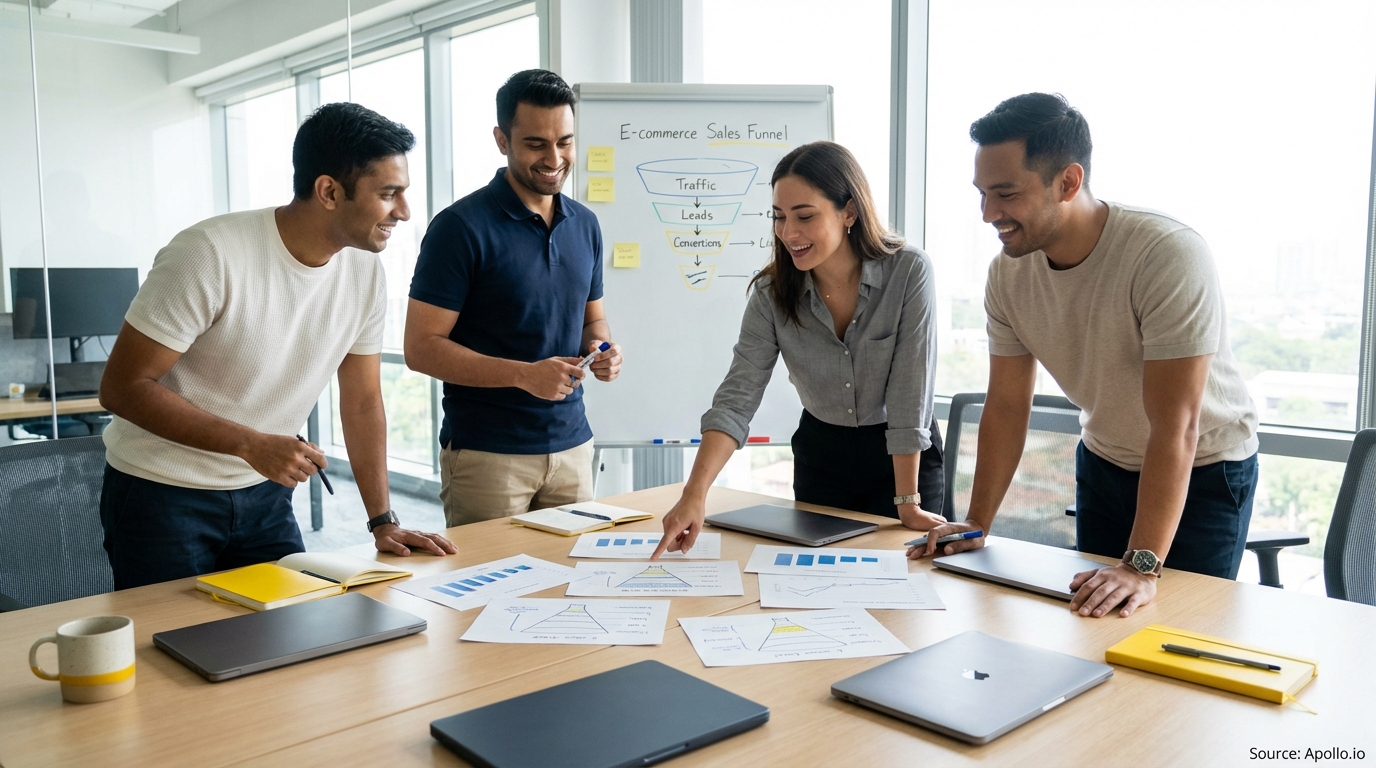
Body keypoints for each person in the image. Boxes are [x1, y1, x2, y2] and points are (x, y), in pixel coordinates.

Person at [911, 93, 1259, 619]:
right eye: (982, 194)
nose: (988, 214)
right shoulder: (1008, 275)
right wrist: (977, 523)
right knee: (1096, 622)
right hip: (1104, 461)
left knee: (1180, 638)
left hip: (1205, 471)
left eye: (1005, 193)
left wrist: (1141, 566)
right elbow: (1007, 406)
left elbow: (1176, 426)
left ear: (1068, 182)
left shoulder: (1165, 254)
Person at [98, 102, 456, 590]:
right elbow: (122, 388)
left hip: (264, 495)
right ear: (329, 191)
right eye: (389, 194)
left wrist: (381, 521)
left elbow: (363, 401)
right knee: (169, 652)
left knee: (289, 639)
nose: (404, 211)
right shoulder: (209, 253)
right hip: (162, 492)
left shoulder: (364, 271)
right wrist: (249, 443)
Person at [653, 141, 946, 559]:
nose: (789, 233)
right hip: (823, 457)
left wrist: (907, 504)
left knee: (905, 588)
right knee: (818, 583)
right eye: (779, 217)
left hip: (904, 462)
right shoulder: (772, 293)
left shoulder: (908, 271)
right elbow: (738, 397)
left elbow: (909, 394)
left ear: (849, 211)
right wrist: (694, 495)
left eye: (805, 216)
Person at [405, 69, 622, 527]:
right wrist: (524, 376)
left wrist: (603, 351)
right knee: (487, 591)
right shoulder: (459, 228)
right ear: (502, 140)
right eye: (536, 144)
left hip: (573, 446)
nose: (555, 157)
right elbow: (421, 348)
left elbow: (592, 322)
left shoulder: (586, 224)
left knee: (572, 588)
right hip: (488, 455)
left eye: (564, 141)